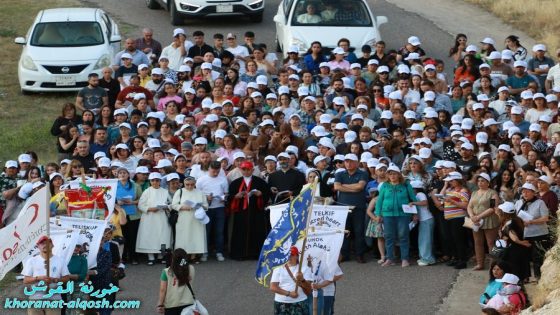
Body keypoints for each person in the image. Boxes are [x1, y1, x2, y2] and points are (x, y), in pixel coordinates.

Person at [374, 164, 417, 267]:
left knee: (403, 236)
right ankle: (390, 259)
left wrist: (415, 213)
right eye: (390, 174)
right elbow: (379, 201)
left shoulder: (406, 185)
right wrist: (378, 214)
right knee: (389, 236)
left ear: (399, 175)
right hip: (387, 214)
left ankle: (405, 259)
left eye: (394, 174)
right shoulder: (384, 185)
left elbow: (413, 199)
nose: (392, 176)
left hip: (403, 214)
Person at [227, 161, 271, 260]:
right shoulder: (236, 183)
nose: (246, 171)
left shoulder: (260, 182)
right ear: (240, 170)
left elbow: (266, 194)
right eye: (244, 169)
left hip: (256, 211)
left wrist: (260, 195)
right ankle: (239, 254)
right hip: (240, 213)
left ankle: (255, 254)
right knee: (239, 233)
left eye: (248, 169)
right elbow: (230, 197)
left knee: (256, 232)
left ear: (253, 170)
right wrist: (236, 196)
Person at [22, 236, 70, 315]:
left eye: (48, 242)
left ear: (52, 245)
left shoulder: (60, 261)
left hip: (54, 299)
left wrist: (55, 280)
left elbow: (67, 279)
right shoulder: (31, 261)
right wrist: (38, 278)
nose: (45, 245)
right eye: (42, 243)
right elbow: (25, 280)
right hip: (35, 299)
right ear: (38, 246)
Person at [335, 153, 369, 263]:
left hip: (358, 206)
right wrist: (353, 188)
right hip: (342, 207)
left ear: (357, 163)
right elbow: (336, 187)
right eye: (346, 161)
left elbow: (360, 186)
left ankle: (360, 254)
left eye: (351, 161)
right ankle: (345, 254)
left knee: (359, 231)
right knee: (344, 231)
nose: (348, 164)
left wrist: (343, 186)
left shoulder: (363, 173)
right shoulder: (340, 173)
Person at [195, 161, 228, 262]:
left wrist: (224, 198)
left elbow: (226, 193)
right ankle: (205, 252)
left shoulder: (223, 179)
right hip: (206, 209)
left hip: (219, 207)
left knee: (219, 231)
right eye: (213, 171)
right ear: (208, 169)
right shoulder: (201, 180)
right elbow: (197, 195)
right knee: (206, 231)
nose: (215, 173)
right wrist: (207, 198)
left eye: (217, 171)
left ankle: (219, 252)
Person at [136, 172, 172, 265]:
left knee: (163, 236)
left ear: (160, 181)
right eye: (153, 180)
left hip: (162, 217)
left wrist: (166, 207)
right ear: (150, 181)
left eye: (157, 180)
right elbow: (141, 205)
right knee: (149, 236)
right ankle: (150, 257)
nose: (155, 182)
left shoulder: (165, 191)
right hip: (149, 217)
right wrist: (150, 209)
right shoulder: (147, 191)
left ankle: (162, 255)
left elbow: (171, 204)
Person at [467, 172, 500, 270]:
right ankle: (480, 263)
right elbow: (469, 206)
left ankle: (493, 265)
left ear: (488, 183)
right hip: (476, 221)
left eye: (483, 181)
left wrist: (479, 217)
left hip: (489, 220)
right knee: (477, 242)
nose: (480, 183)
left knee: (491, 243)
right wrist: (472, 216)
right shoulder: (474, 193)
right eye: (479, 181)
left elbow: (492, 208)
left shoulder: (493, 193)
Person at [171, 176, 208, 262]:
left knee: (196, 236)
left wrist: (199, 206)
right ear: (184, 184)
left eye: (192, 184)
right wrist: (184, 207)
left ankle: (193, 256)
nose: (190, 187)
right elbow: (173, 205)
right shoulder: (179, 191)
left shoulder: (200, 192)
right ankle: (183, 256)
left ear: (195, 184)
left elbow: (206, 206)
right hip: (184, 218)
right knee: (183, 237)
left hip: (197, 219)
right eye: (187, 185)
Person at [269, 246, 313, 315]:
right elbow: (273, 287)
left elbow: (309, 289)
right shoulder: (278, 268)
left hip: (300, 302)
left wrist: (302, 279)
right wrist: (289, 293)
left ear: (297, 256)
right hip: (281, 303)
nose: (289, 257)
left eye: (292, 255)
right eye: (287, 255)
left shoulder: (305, 268)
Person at [157, 248, 197, 315]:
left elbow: (162, 290)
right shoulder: (191, 268)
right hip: (188, 303)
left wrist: (160, 304)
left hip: (171, 305)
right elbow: (182, 266)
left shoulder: (166, 272)